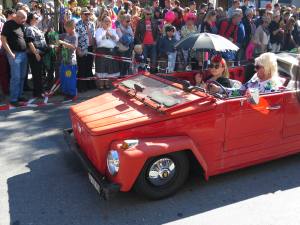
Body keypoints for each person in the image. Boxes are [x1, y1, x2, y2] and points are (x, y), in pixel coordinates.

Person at [210, 52, 282, 97]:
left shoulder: (272, 85)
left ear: (267, 69)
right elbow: (240, 91)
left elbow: (263, 106)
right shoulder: (256, 77)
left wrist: (251, 95)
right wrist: (219, 89)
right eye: (255, 67)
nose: (255, 69)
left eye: (257, 67)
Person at [1, 10, 28, 107]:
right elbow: (3, 39)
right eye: (23, 18)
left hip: (23, 53)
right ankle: (13, 99)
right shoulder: (8, 24)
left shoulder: (21, 25)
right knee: (15, 77)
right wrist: (10, 53)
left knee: (22, 76)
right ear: (17, 16)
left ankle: (19, 95)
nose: (24, 20)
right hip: (14, 54)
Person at [25, 12, 48, 98]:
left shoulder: (36, 28)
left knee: (40, 73)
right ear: (31, 19)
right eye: (36, 18)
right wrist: (36, 53)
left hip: (40, 53)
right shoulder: (30, 29)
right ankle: (38, 93)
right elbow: (30, 42)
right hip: (35, 54)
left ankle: (40, 91)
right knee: (37, 74)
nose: (38, 19)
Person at [95, 16, 119, 90]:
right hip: (101, 51)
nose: (107, 23)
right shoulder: (99, 30)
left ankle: (107, 84)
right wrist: (104, 33)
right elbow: (98, 41)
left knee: (108, 69)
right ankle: (101, 85)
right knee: (102, 69)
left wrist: (111, 35)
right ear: (102, 22)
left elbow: (117, 39)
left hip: (111, 52)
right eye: (105, 21)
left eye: (109, 21)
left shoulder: (113, 30)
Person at [76, 7, 95, 92]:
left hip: (90, 48)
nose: (87, 16)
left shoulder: (92, 24)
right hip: (81, 48)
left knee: (89, 67)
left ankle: (89, 85)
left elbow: (93, 36)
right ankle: (81, 87)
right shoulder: (77, 24)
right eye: (85, 14)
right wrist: (78, 50)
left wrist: (94, 47)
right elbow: (76, 38)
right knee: (82, 68)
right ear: (81, 15)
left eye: (88, 14)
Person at [134, 7, 159, 73]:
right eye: (147, 14)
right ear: (144, 14)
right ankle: (143, 75)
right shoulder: (140, 21)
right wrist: (140, 43)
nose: (149, 15)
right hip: (144, 45)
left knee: (153, 61)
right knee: (143, 61)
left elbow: (158, 33)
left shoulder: (154, 21)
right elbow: (136, 34)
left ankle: (152, 76)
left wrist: (155, 41)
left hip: (152, 45)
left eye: (150, 14)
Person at [58, 19, 78, 100]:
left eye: (66, 28)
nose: (65, 29)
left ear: (71, 27)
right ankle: (66, 92)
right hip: (64, 60)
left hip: (70, 62)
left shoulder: (74, 36)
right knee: (64, 77)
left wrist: (63, 43)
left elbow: (74, 47)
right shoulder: (66, 35)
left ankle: (72, 93)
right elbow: (56, 36)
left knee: (70, 78)